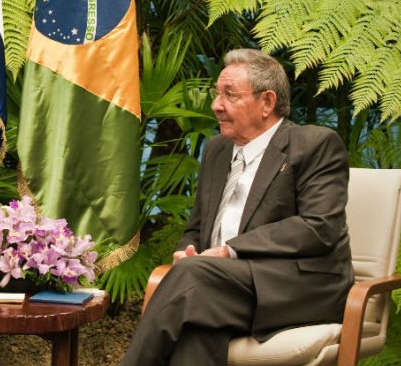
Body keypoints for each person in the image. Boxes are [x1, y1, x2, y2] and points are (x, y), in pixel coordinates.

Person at [122, 48, 354, 365]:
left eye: (229, 95)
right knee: (196, 332)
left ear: (267, 102)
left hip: (296, 288)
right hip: (216, 286)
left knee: (193, 277)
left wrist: (230, 250)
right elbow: (195, 229)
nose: (217, 106)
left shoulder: (314, 144)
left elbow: (318, 227)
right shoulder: (217, 149)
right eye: (217, 94)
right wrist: (186, 249)